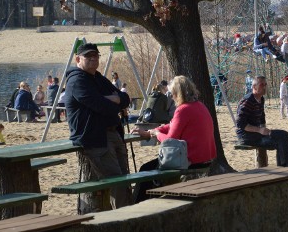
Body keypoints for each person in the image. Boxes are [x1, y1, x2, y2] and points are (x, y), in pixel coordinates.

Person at [65, 42, 132, 209]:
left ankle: (129, 215)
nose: (93, 59)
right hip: (95, 138)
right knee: (117, 181)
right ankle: (124, 218)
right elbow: (99, 105)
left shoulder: (99, 78)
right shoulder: (76, 80)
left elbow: (125, 99)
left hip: (113, 133)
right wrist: (113, 100)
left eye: (96, 56)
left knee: (126, 178)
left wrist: (115, 99)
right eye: (89, 56)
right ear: (78, 59)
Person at [132, 76, 217, 203]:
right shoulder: (200, 106)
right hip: (205, 159)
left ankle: (137, 208)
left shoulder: (183, 110)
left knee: (145, 170)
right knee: (150, 169)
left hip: (191, 161)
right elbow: (173, 125)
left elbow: (169, 140)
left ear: (178, 94)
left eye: (172, 94)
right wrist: (155, 130)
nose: (171, 97)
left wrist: (155, 133)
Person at [236, 76, 288, 167]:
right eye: (262, 84)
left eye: (265, 84)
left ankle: (285, 166)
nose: (265, 87)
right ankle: (286, 167)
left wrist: (264, 129)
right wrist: (259, 130)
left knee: (284, 134)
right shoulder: (248, 101)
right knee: (280, 140)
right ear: (254, 87)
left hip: (257, 134)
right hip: (246, 136)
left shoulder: (261, 99)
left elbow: (262, 117)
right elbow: (240, 124)